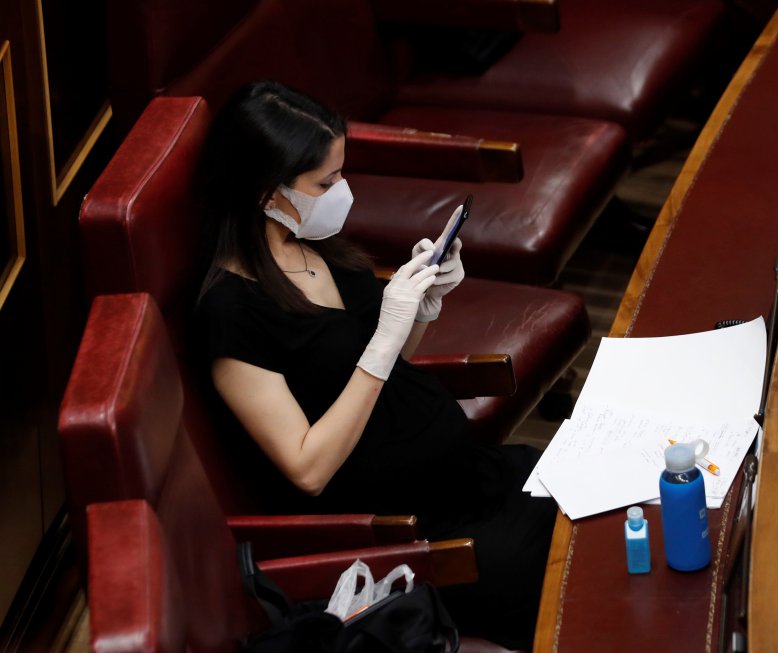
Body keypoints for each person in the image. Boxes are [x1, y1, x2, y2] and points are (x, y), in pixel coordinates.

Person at [193, 80, 556, 650]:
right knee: (560, 564)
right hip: (410, 531)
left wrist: (422, 311)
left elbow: (384, 366)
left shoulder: (312, 242)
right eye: (325, 181)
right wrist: (383, 341)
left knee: (576, 492)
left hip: (465, 478)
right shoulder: (231, 313)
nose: (342, 190)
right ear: (266, 190)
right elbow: (307, 468)